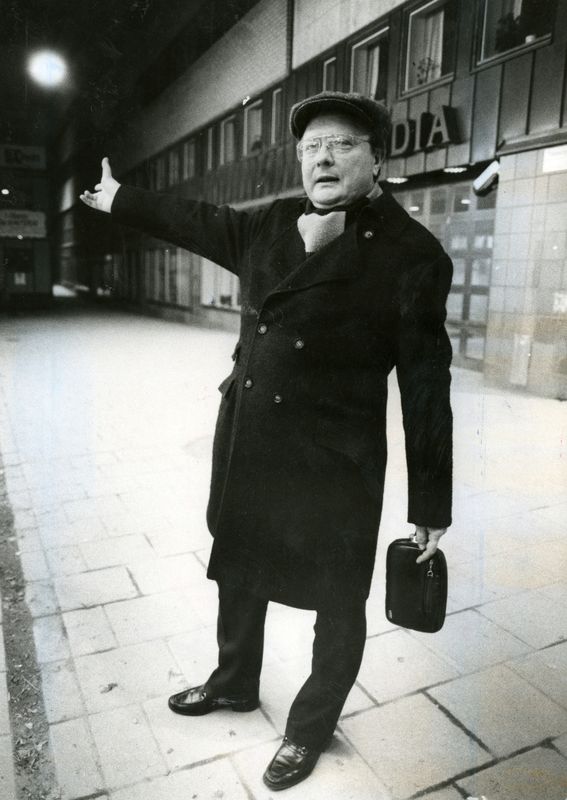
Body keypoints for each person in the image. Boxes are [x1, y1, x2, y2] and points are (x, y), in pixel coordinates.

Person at [80, 90, 452, 791]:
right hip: (253, 437)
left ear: (376, 157)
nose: (322, 157)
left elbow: (428, 385)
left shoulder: (413, 255)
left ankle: (309, 729)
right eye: (311, 147)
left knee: (337, 603)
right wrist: (122, 198)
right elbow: (197, 221)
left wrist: (431, 500)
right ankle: (232, 682)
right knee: (238, 570)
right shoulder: (275, 222)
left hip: (334, 461)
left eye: (341, 144)